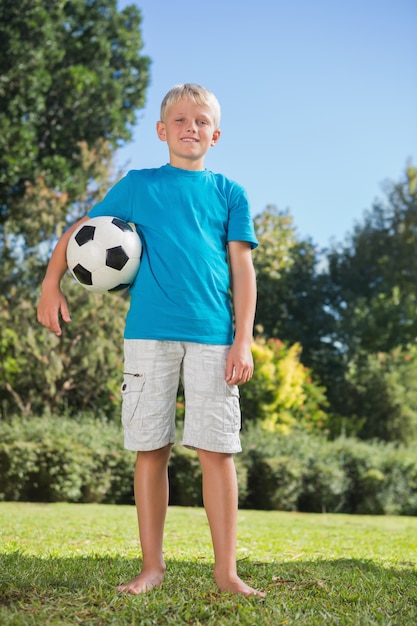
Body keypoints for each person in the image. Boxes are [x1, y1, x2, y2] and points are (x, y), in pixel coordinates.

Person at [37, 83, 265, 598]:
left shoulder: (231, 193)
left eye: (201, 121)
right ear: (162, 131)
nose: (191, 127)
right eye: (180, 120)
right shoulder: (139, 184)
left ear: (216, 134)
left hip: (213, 338)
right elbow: (82, 230)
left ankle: (226, 573)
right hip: (147, 337)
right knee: (150, 448)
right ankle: (151, 567)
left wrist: (243, 340)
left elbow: (243, 271)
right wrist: (51, 284)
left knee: (218, 452)